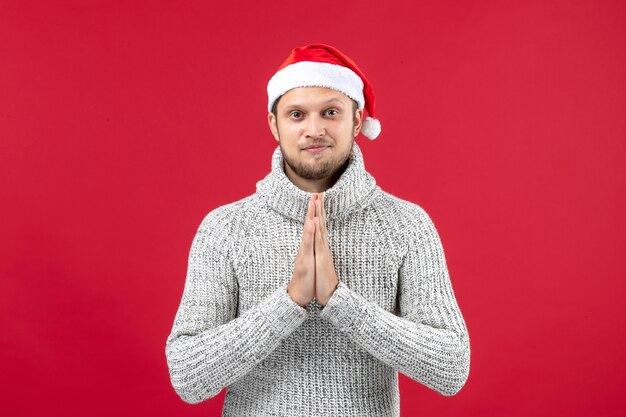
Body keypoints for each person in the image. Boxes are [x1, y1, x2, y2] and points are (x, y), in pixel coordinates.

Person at [165, 43, 470, 416]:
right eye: (296, 114)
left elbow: (451, 367)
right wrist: (289, 302)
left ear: (356, 121)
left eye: (330, 112)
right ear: (273, 124)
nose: (314, 129)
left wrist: (340, 302)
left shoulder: (406, 225)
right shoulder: (226, 229)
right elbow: (187, 376)